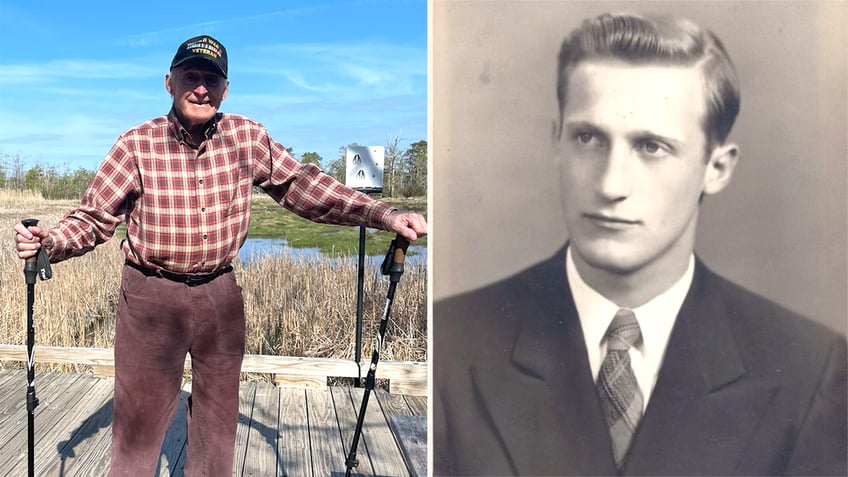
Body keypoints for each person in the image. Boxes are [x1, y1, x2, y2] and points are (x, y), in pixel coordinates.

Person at [433, 12, 846, 476]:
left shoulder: (810, 369)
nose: (611, 185)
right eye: (588, 138)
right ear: (557, 142)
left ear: (717, 167)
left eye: (651, 146)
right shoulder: (451, 345)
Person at [13, 35, 427, 477]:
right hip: (150, 297)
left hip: (220, 296)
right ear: (169, 83)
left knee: (217, 426)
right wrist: (49, 243)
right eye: (192, 77)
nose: (201, 88)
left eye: (212, 79)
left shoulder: (247, 137)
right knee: (137, 428)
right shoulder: (136, 143)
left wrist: (383, 214)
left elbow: (302, 187)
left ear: (225, 90)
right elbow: (95, 217)